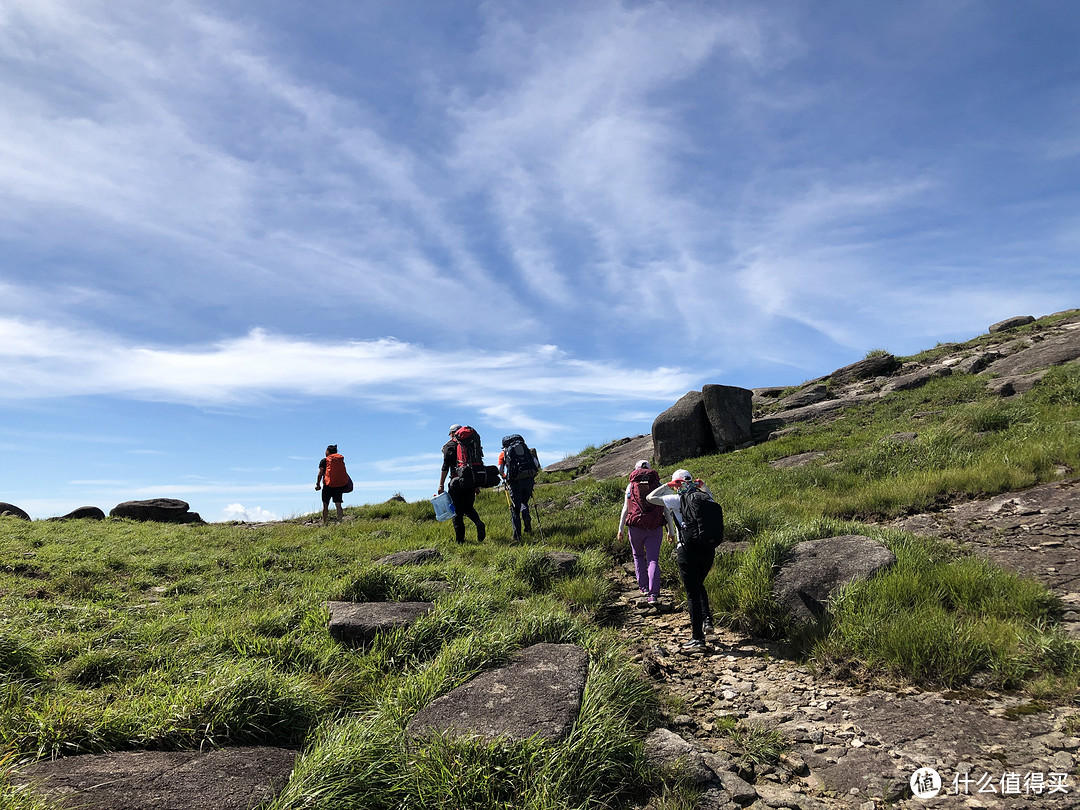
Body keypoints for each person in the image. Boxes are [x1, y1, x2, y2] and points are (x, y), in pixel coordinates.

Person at [648, 469, 717, 650]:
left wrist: (667, 486)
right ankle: (707, 620)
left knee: (692, 593)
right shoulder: (706, 497)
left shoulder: (676, 499)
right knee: (699, 585)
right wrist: (704, 486)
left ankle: (698, 639)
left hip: (687, 550)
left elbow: (650, 498)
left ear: (677, 483)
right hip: (708, 549)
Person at [616, 461, 675, 608]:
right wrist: (671, 531)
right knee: (653, 560)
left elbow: (625, 508)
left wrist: (620, 529)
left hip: (635, 527)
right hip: (655, 528)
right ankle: (653, 594)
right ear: (650, 470)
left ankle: (643, 588)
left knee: (638, 556)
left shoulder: (631, 485)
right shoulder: (659, 485)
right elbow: (666, 510)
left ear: (635, 471)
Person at [437, 424, 486, 543]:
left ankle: (460, 541)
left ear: (452, 433)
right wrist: (476, 485)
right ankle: (479, 523)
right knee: (468, 507)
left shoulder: (450, 446)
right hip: (470, 480)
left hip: (456, 482)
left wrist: (441, 485)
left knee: (456, 512)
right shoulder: (471, 444)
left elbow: (445, 467)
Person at [498, 434, 540, 541]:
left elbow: (500, 469)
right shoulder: (527, 451)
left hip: (515, 482)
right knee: (524, 502)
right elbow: (536, 464)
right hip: (528, 480)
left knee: (515, 509)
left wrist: (505, 477)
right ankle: (526, 519)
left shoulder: (503, 454)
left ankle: (517, 536)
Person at [316, 444, 349, 524]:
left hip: (328, 485)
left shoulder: (324, 460)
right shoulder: (340, 460)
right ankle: (340, 522)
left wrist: (318, 484)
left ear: (327, 451)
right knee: (338, 505)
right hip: (339, 485)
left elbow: (320, 473)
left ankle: (325, 523)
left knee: (325, 505)